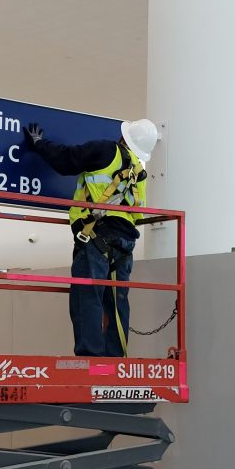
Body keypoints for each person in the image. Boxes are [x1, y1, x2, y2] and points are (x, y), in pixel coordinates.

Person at [23, 119, 158, 357]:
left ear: (124, 138)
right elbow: (137, 212)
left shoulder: (106, 150)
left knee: (88, 295)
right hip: (125, 242)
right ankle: (116, 358)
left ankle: (91, 357)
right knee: (117, 302)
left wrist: (39, 144)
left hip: (96, 235)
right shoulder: (140, 171)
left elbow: (66, 161)